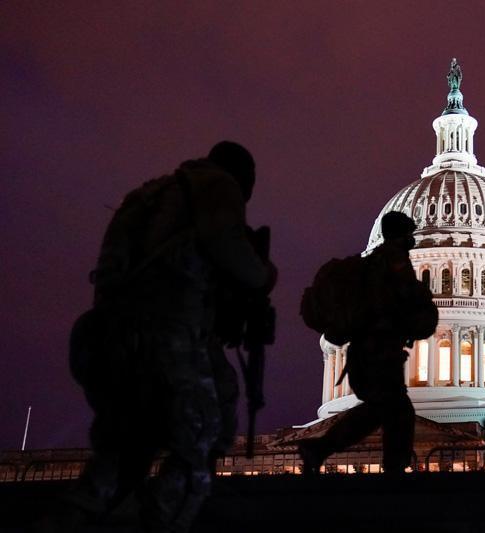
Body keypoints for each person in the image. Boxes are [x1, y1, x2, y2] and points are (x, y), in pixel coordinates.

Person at [48, 141, 275, 533]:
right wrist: (263, 274)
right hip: (172, 330)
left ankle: (74, 516)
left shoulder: (149, 194)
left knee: (126, 436)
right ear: (243, 176)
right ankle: (164, 517)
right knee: (208, 428)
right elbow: (232, 253)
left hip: (112, 331)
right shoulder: (218, 186)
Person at [298, 212, 438, 474]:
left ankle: (323, 449)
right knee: (394, 409)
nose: (412, 239)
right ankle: (389, 468)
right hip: (377, 351)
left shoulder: (375, 261)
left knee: (387, 409)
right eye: (409, 234)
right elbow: (399, 300)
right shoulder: (392, 263)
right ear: (401, 235)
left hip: (369, 351)